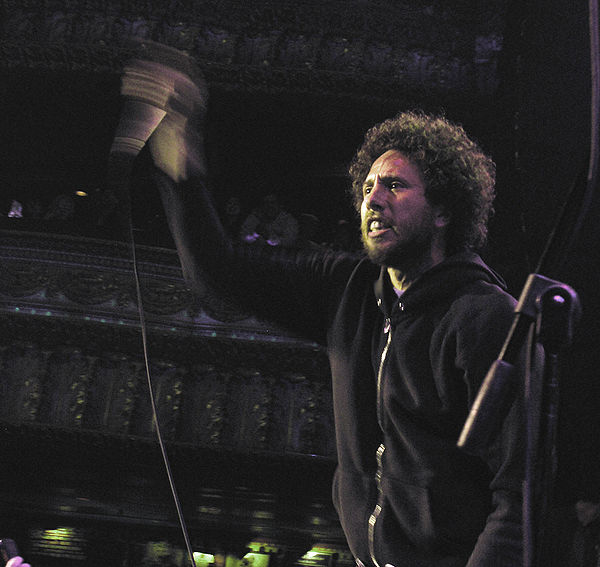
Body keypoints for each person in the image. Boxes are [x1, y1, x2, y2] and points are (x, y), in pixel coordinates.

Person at [114, 54, 530, 566]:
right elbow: (220, 276)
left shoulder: (484, 318)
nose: (374, 199)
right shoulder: (348, 290)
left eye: (395, 185)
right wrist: (178, 141)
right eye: (368, 187)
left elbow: (518, 496)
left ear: (445, 211)